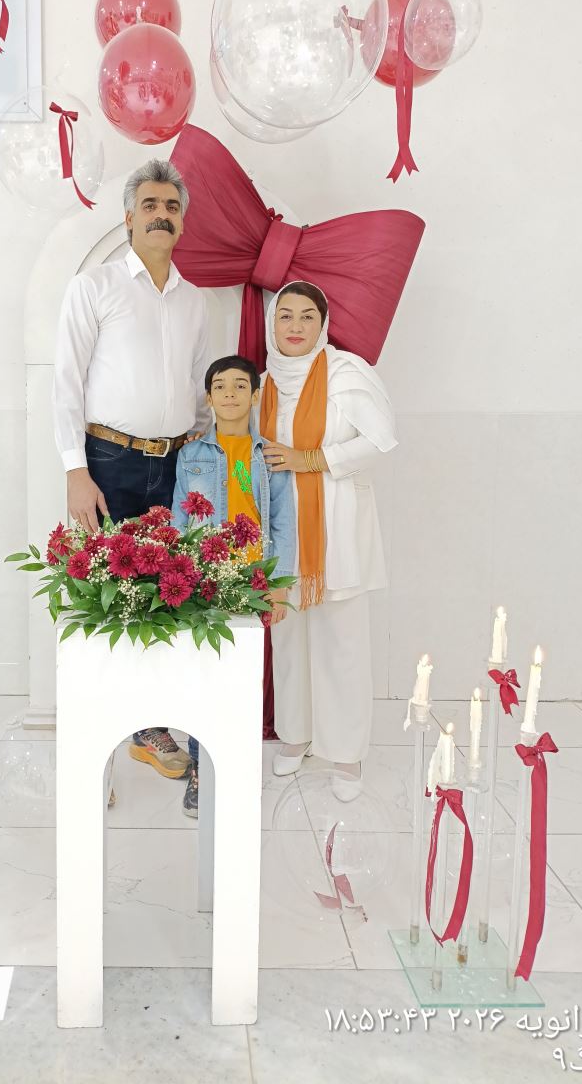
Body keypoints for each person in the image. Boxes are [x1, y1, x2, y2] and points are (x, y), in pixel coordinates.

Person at [53, 158, 210, 781]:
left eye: (171, 207)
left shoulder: (195, 301)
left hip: (176, 464)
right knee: (108, 599)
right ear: (128, 217)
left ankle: (152, 726)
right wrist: (75, 469)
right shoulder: (93, 287)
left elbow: (200, 389)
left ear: (182, 221)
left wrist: (202, 460)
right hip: (108, 462)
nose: (161, 216)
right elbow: (66, 381)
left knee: (169, 597)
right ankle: (100, 744)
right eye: (150, 205)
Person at [260, 281, 397, 801]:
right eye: (285, 316)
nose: (295, 327)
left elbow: (380, 441)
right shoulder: (264, 382)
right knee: (288, 637)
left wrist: (313, 460)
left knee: (342, 642)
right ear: (272, 324)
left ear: (323, 326)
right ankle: (295, 736)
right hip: (281, 529)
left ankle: (344, 754)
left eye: (307, 317)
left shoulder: (346, 373)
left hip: (336, 527)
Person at [171, 354, 296, 816]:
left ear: (255, 395)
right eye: (220, 386)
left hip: (251, 580)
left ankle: (238, 769)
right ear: (208, 397)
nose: (229, 394)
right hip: (206, 579)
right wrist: (181, 574)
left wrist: (278, 586)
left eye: (240, 385)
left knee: (243, 678)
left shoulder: (270, 456)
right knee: (203, 675)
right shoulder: (191, 455)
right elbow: (181, 516)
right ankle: (201, 771)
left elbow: (282, 522)